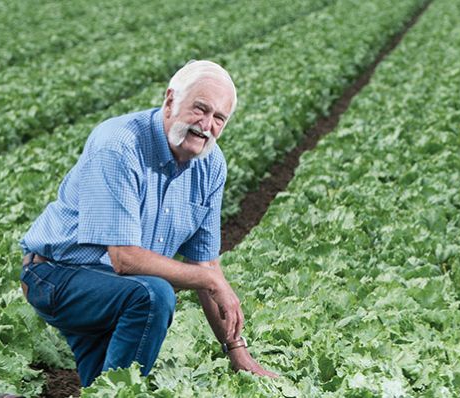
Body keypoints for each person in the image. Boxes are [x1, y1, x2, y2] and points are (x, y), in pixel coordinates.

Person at [19, 60, 277, 387]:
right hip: (56, 274)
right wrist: (208, 280)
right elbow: (125, 258)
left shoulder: (211, 165)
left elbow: (205, 261)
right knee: (154, 296)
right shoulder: (119, 145)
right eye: (200, 109)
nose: (206, 124)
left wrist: (236, 352)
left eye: (219, 118)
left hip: (115, 287)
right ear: (170, 101)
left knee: (101, 387)